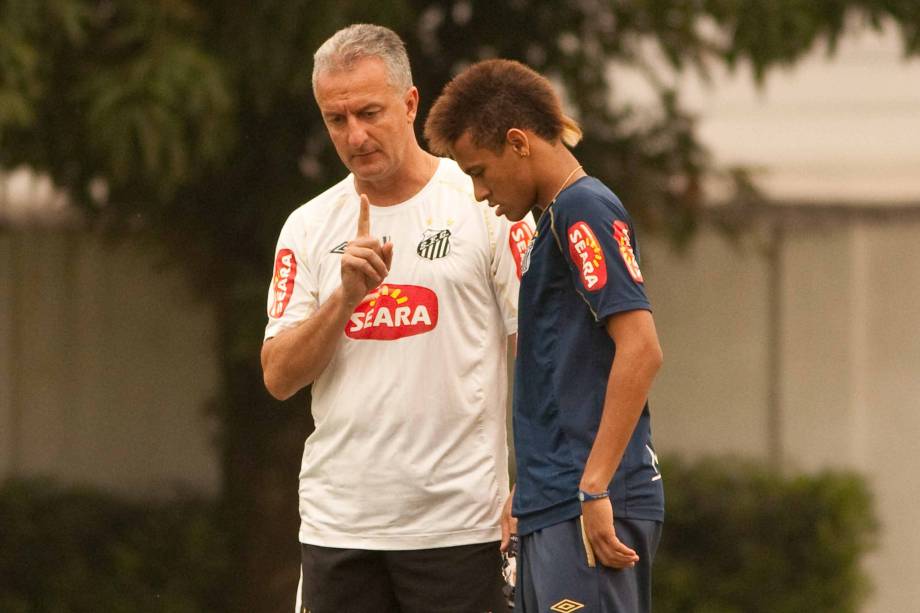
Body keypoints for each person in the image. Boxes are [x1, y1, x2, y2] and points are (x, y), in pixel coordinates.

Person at [260, 25, 534, 613]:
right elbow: (279, 376)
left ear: (410, 103)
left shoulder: (484, 202)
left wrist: (532, 479)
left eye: (369, 112)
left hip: (460, 527)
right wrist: (344, 300)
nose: (355, 135)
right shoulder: (307, 226)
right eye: (337, 120)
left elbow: (535, 347)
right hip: (339, 528)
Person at [425, 59, 665, 613]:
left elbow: (642, 348)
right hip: (552, 499)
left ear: (518, 142)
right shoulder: (548, 224)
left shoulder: (584, 208)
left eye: (480, 171)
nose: (479, 192)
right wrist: (528, 489)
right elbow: (563, 371)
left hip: (586, 500)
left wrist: (595, 485)